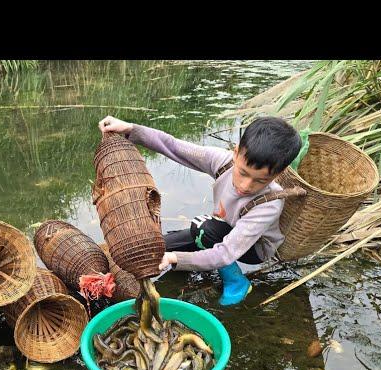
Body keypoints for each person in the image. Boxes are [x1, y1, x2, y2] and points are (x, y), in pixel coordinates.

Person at [98, 115, 303, 306]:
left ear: (279, 174)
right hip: (222, 228)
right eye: (243, 173)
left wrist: (175, 259)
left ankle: (236, 281)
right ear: (236, 153)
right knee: (156, 248)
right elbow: (174, 146)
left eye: (261, 180)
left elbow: (225, 254)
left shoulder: (270, 203)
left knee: (203, 229)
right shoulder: (223, 162)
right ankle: (197, 251)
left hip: (253, 248)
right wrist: (131, 129)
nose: (246, 185)